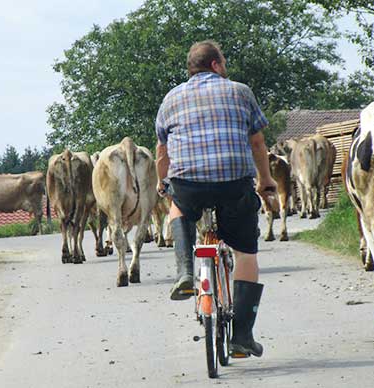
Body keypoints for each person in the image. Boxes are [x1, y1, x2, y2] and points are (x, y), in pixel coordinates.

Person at [155, 40, 277, 358]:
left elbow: (162, 152)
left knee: (177, 208)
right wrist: (265, 181)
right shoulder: (239, 91)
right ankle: (242, 337)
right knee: (246, 253)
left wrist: (162, 183)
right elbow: (257, 142)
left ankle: (185, 272)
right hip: (234, 184)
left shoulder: (170, 99)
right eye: (224, 63)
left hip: (188, 184)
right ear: (215, 65)